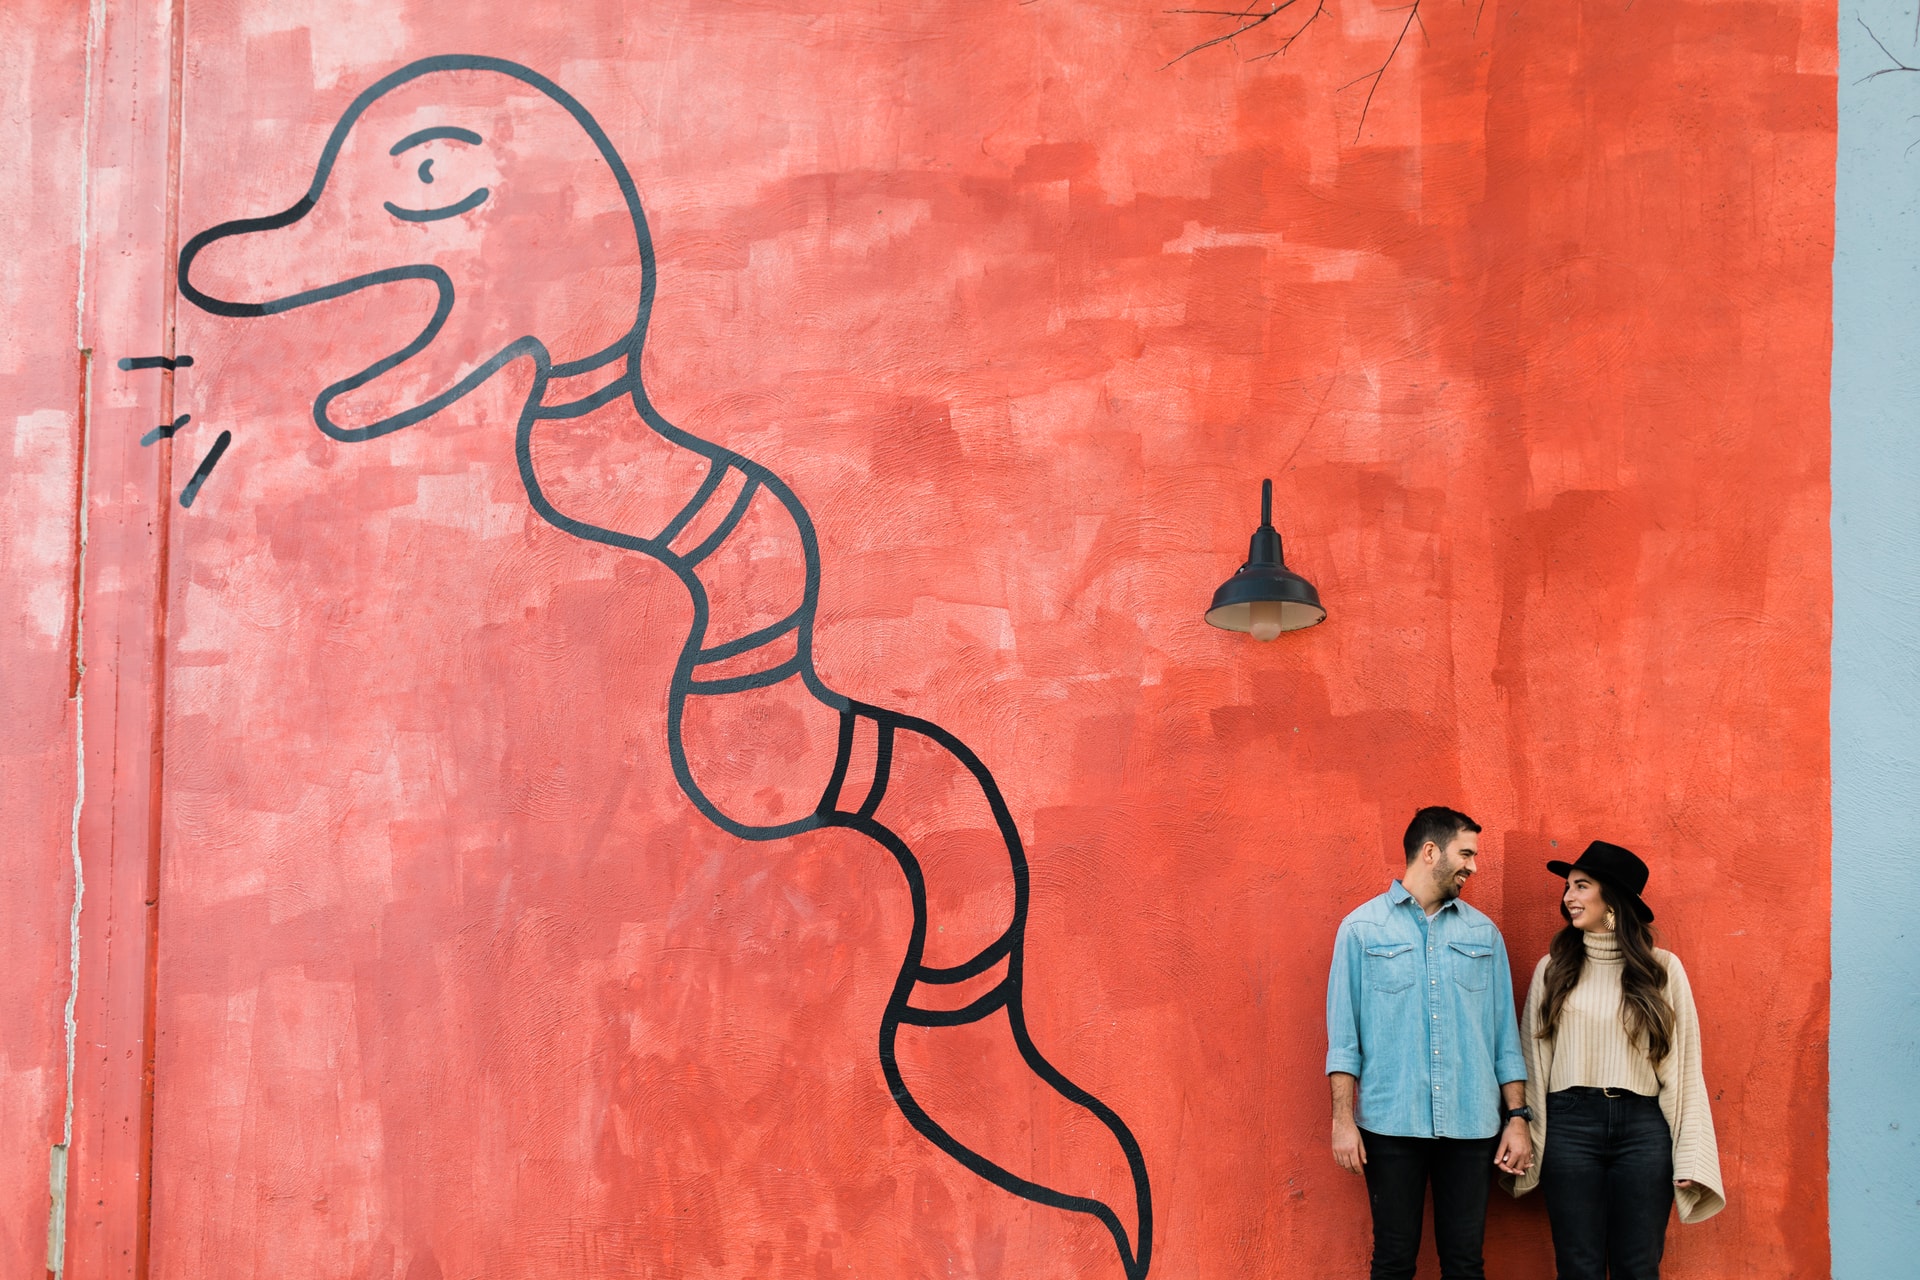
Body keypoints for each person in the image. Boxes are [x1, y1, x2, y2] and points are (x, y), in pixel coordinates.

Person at [1327, 807, 1532, 1280]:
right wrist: (1342, 1121)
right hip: (1389, 1124)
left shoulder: (1484, 935)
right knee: (1394, 1261)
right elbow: (1344, 1040)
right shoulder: (1361, 931)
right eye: (1466, 853)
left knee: (1465, 1263)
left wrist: (1517, 1119)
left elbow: (1504, 1040)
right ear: (1430, 851)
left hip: (1472, 1125)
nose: (1473, 866)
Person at [1507, 841, 1724, 1279]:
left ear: (1613, 900)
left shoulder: (1661, 970)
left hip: (1643, 1130)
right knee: (1577, 1266)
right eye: (1568, 886)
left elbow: (1683, 1068)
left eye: (1581, 886)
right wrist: (1524, 1129)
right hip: (1570, 1127)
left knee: (1638, 1267)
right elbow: (1533, 1060)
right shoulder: (1554, 968)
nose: (1568, 896)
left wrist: (1691, 1155)